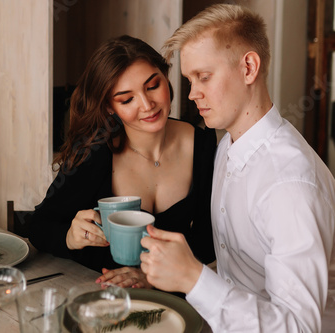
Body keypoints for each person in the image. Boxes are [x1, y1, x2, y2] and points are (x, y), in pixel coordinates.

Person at [140, 4, 335, 332]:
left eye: (204, 77)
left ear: (248, 67)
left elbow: (301, 327)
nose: (192, 94)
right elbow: (241, 277)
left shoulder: (289, 184)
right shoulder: (227, 149)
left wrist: (194, 278)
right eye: (190, 80)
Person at [28, 35, 216, 288]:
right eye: (126, 99)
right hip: (95, 289)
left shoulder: (203, 145)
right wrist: (69, 237)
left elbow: (209, 241)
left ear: (165, 77)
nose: (147, 105)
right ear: (108, 107)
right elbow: (38, 226)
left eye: (152, 86)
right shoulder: (95, 151)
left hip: (170, 294)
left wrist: (152, 278)